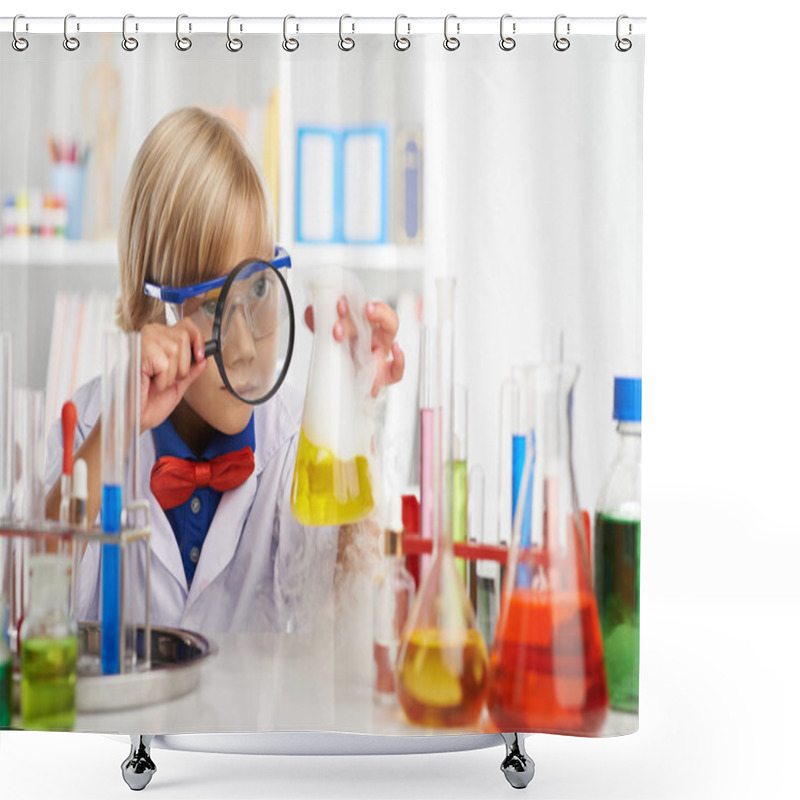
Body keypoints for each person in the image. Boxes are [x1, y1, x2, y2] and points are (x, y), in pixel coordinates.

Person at [44, 107, 404, 635]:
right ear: (150, 312)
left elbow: (348, 612)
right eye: (210, 306)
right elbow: (26, 592)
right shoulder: (88, 429)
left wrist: (356, 410)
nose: (241, 348)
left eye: (258, 289)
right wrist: (116, 428)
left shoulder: (292, 447)